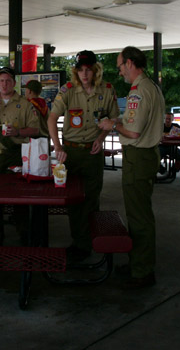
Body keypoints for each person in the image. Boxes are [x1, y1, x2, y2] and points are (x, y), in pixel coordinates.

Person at [98, 46, 165, 288]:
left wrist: (111, 125)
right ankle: (138, 263)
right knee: (140, 213)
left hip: (138, 157)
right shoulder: (151, 87)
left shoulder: (139, 92)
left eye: (119, 67)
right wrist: (119, 121)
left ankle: (142, 272)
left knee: (139, 217)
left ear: (129, 63)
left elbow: (133, 131)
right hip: (145, 156)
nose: (120, 72)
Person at [48, 50, 119, 262]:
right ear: (76, 72)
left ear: (95, 70)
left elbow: (113, 118)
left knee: (91, 199)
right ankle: (79, 242)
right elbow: (52, 118)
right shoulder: (68, 90)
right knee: (73, 200)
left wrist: (102, 137)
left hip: (92, 152)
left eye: (88, 70)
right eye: (80, 70)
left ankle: (88, 243)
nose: (84, 74)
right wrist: (58, 147)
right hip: (70, 152)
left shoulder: (106, 90)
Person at [0, 66, 40, 244]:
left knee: (19, 197)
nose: (5, 84)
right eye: (2, 81)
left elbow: (35, 130)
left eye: (8, 81)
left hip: (16, 155)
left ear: (14, 83)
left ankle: (24, 235)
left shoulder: (25, 103)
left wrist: (18, 131)